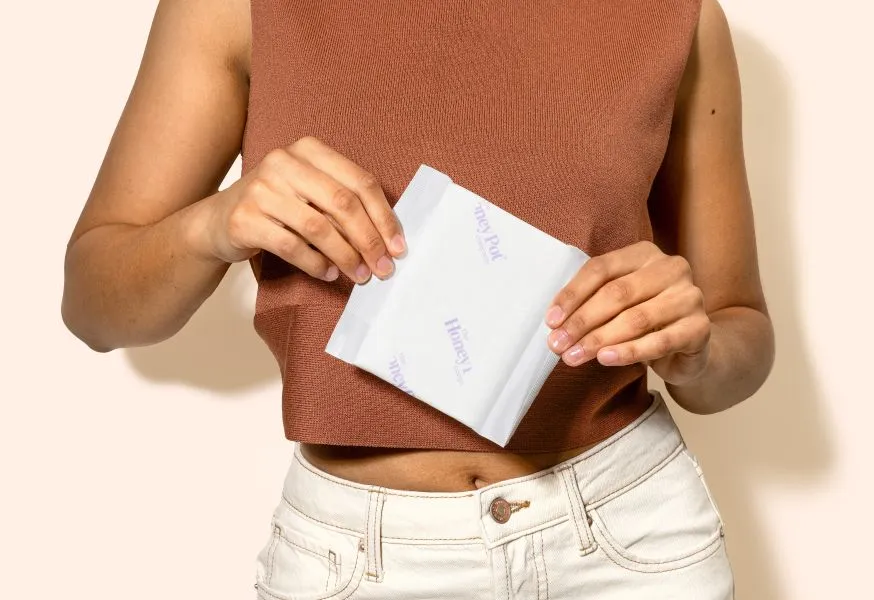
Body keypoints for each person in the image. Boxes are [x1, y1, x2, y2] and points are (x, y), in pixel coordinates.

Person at [62, 0, 774, 597]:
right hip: (359, 559)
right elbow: (92, 307)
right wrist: (214, 223)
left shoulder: (678, 15)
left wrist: (697, 350)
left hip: (628, 537)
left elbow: (740, 333)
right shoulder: (231, 7)